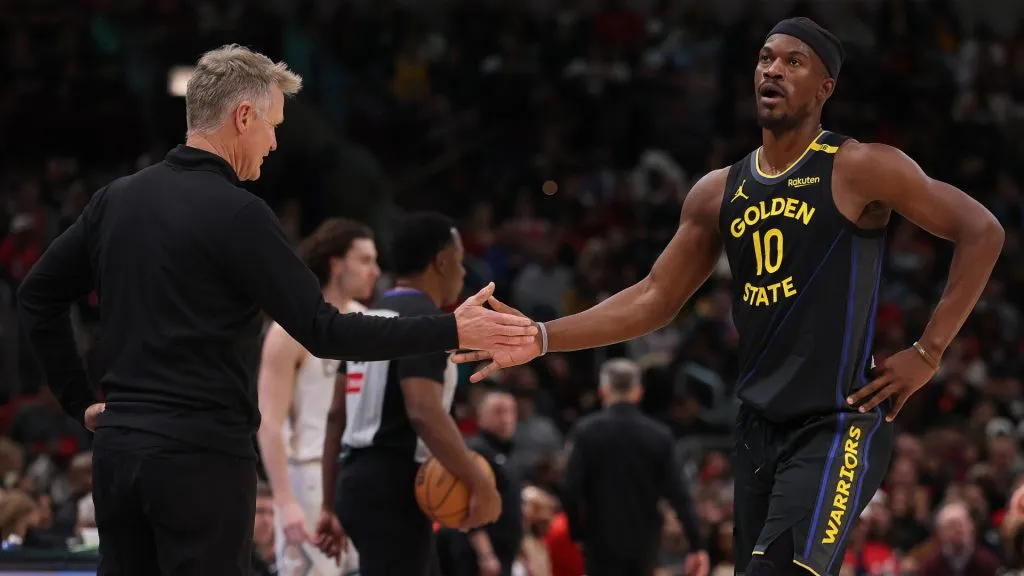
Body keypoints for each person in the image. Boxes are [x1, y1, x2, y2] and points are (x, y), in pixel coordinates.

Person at [454, 17, 1005, 576]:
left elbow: (982, 231)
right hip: (756, 429)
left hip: (836, 423)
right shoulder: (718, 191)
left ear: (825, 88)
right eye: (766, 58)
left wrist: (929, 351)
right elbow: (654, 296)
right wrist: (542, 335)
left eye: (794, 62)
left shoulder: (859, 166)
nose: (773, 70)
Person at [15, 45, 530, 576]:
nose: (275, 142)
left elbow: (37, 296)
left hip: (119, 453)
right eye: (273, 125)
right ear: (243, 117)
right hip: (200, 456)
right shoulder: (240, 214)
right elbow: (325, 331)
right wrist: (451, 328)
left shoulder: (114, 200)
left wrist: (79, 400)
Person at [315, 212, 502, 576]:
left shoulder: (369, 317)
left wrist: (328, 502)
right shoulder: (426, 323)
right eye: (459, 262)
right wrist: (480, 484)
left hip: (355, 480)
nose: (463, 273)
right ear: (441, 262)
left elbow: (336, 415)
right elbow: (423, 411)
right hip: (394, 487)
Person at [257, 218, 380, 575]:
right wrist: (285, 501)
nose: (376, 271)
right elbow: (269, 421)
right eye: (365, 260)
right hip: (308, 477)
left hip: (360, 477)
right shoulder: (289, 330)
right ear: (336, 264)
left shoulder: (369, 321)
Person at [562, 358, 708, 576]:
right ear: (638, 392)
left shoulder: (586, 431)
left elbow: (570, 489)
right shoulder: (659, 435)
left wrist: (578, 533)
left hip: (600, 538)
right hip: (645, 541)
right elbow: (679, 495)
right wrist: (696, 544)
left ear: (603, 391)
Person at [447, 388, 523, 576]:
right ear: (481, 417)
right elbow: (467, 502)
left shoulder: (506, 453)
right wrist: (485, 554)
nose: (506, 419)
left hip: (504, 553)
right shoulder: (477, 450)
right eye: (498, 412)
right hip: (479, 555)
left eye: (511, 412)